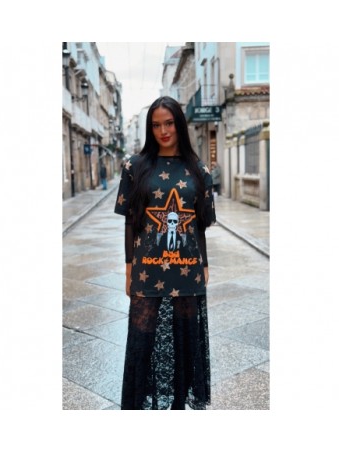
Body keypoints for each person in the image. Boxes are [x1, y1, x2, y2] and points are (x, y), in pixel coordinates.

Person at [114, 96, 216, 410]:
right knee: (142, 336)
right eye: (156, 125)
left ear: (179, 125)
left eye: (169, 123)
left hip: (187, 266)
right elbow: (130, 221)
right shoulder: (135, 166)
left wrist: (205, 263)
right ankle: (138, 405)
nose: (163, 131)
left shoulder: (198, 169)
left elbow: (199, 224)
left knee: (185, 339)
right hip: (147, 267)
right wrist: (129, 268)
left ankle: (178, 406)